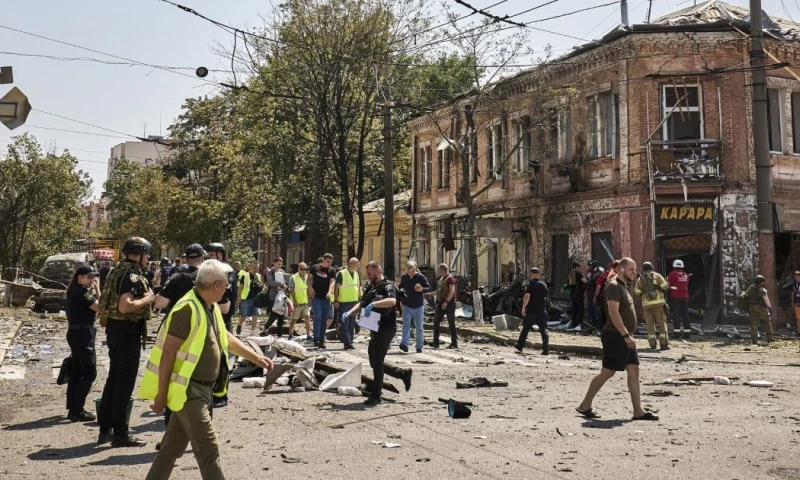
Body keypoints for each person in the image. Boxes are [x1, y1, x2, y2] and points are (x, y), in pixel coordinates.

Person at [141, 260, 275, 479]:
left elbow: (225, 337)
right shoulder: (188, 308)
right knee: (208, 450)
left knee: (169, 451)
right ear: (216, 285)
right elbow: (168, 353)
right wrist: (162, 394)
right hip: (189, 391)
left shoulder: (207, 305)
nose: (227, 290)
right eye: (226, 286)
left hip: (201, 390)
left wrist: (256, 357)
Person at [576, 257, 658, 421]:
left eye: (635, 269)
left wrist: (628, 335)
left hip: (625, 336)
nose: (634, 273)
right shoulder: (614, 286)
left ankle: (638, 411)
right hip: (616, 335)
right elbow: (613, 312)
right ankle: (585, 405)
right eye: (631, 269)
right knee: (608, 371)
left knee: (633, 369)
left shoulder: (622, 286)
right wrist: (625, 335)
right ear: (621, 269)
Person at [97, 237, 155, 447]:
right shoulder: (131, 275)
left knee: (114, 380)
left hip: (116, 331)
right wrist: (148, 299)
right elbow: (125, 306)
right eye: (147, 254)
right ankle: (120, 433)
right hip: (126, 333)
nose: (148, 258)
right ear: (138, 254)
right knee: (124, 384)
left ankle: (105, 429)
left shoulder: (117, 270)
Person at [342, 261, 412, 405]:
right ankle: (402, 373)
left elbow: (392, 301)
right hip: (375, 327)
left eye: (370, 274)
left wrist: (374, 304)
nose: (368, 276)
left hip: (386, 327)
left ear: (378, 271)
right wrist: (350, 312)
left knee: (378, 360)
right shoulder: (371, 287)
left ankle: (376, 395)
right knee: (373, 360)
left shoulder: (388, 285)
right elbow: (362, 304)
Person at [65, 264, 101, 422]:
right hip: (82, 335)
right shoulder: (82, 293)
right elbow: (100, 308)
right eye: (89, 277)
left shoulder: (75, 290)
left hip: (76, 333)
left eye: (93, 277)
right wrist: (98, 290)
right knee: (89, 372)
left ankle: (73, 408)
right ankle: (77, 410)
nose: (92, 280)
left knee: (77, 372)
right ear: (80, 277)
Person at [154, 244, 206, 317]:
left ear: (186, 259)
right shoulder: (210, 277)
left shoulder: (177, 277)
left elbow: (159, 303)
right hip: (203, 319)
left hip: (179, 320)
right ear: (203, 257)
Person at [634, 262, 671, 350]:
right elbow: (664, 287)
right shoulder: (657, 276)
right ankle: (663, 344)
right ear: (652, 268)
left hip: (646, 305)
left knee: (650, 325)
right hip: (658, 304)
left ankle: (652, 344)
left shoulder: (640, 279)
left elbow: (637, 292)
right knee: (661, 324)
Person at [398, 260, 431, 353]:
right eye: (409, 272)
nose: (411, 274)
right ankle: (404, 344)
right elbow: (401, 287)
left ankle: (419, 346)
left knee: (419, 327)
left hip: (418, 306)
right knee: (406, 325)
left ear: (415, 268)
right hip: (407, 305)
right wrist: (401, 291)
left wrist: (422, 289)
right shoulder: (404, 277)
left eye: (412, 271)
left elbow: (429, 288)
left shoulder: (421, 277)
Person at [515, 267, 549, 355]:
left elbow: (527, 296)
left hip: (531, 311)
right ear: (538, 274)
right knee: (543, 330)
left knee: (525, 329)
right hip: (541, 311)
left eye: (530, 274)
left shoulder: (530, 284)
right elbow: (545, 298)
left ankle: (520, 346)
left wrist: (523, 308)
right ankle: (546, 349)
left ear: (532, 274)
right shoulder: (544, 285)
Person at [309, 253, 336, 348]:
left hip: (326, 299)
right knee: (318, 316)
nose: (329, 263)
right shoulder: (315, 268)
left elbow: (332, 283)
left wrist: (329, 292)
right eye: (327, 261)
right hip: (316, 297)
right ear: (323, 260)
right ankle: (316, 338)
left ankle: (321, 339)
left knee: (324, 319)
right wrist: (310, 289)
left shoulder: (332, 270)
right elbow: (307, 280)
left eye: (330, 262)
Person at [335, 258, 363, 350]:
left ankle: (350, 342)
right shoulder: (342, 273)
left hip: (354, 302)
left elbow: (359, 287)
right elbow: (336, 288)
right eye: (357, 264)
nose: (359, 266)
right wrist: (336, 300)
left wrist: (360, 299)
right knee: (345, 324)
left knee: (351, 324)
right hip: (344, 302)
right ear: (351, 264)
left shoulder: (356, 274)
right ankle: (347, 343)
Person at [428, 263, 458, 349]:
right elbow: (440, 290)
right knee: (436, 321)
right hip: (440, 303)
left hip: (449, 303)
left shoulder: (450, 278)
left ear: (443, 270)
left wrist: (446, 302)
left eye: (439, 270)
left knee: (451, 322)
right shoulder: (442, 279)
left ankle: (454, 343)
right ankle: (436, 342)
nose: (439, 272)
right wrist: (431, 294)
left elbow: (452, 291)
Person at [288, 262, 313, 342]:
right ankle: (290, 334)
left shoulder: (307, 277)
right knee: (294, 319)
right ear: (298, 269)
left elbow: (308, 289)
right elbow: (291, 291)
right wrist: (295, 301)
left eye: (305, 269)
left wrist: (309, 300)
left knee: (307, 317)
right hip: (297, 303)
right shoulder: (293, 277)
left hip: (305, 302)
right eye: (302, 269)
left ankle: (309, 335)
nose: (304, 271)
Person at [263, 257, 288, 336]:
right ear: (274, 263)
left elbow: (285, 282)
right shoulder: (270, 272)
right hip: (273, 297)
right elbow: (270, 282)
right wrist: (280, 284)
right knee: (273, 315)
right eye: (278, 264)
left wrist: (286, 286)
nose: (279, 266)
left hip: (281, 297)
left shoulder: (282, 272)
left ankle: (279, 334)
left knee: (281, 316)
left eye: (281, 264)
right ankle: (265, 329)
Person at [745, 275, 773, 345]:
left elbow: (747, 296)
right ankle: (770, 339)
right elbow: (766, 299)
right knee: (767, 322)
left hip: (752, 307)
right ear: (761, 282)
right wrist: (770, 307)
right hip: (761, 308)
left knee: (754, 324)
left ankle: (754, 341)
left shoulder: (750, 288)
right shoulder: (762, 290)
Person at [236, 261, 262, 335]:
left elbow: (260, 285)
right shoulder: (245, 275)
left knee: (255, 314)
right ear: (251, 267)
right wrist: (238, 296)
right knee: (243, 316)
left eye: (257, 268)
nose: (256, 269)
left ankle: (253, 332)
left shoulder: (258, 276)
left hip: (256, 298)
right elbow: (240, 287)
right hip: (246, 298)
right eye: (254, 267)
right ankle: (239, 325)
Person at [667, 259, 691, 339]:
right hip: (685, 297)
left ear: (674, 266)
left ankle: (676, 333)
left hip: (676, 297)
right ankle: (687, 333)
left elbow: (668, 284)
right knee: (685, 314)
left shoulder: (672, 274)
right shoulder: (686, 275)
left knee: (676, 315)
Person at [566, 262, 585, 331]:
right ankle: (579, 324)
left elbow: (568, 284)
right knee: (580, 310)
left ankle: (573, 324)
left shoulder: (570, 274)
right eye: (579, 267)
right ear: (576, 267)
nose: (579, 268)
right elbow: (585, 281)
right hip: (578, 294)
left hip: (572, 294)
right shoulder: (578, 274)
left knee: (574, 310)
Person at [584, 261, 598, 328]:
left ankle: (594, 322)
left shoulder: (592, 272)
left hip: (592, 292)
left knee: (593, 307)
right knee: (592, 308)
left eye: (590, 265)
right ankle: (593, 322)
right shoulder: (594, 272)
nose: (589, 267)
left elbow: (587, 281)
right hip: (591, 291)